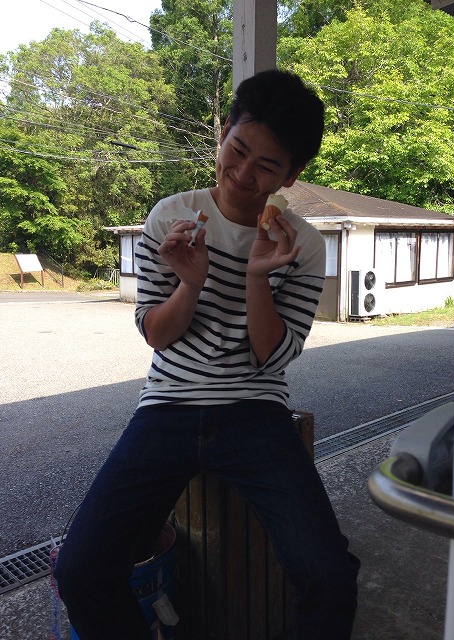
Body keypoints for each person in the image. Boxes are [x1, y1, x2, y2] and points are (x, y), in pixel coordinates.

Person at [55, 69, 360, 640]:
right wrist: (189, 284)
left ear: (291, 175)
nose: (243, 175)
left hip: (256, 412)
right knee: (81, 569)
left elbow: (272, 357)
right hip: (166, 406)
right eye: (237, 150)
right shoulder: (171, 217)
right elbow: (156, 334)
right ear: (223, 134)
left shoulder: (302, 244)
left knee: (330, 577)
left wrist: (256, 275)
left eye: (266, 166)